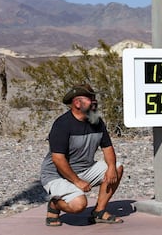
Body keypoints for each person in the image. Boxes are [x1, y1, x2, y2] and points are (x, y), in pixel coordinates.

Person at [40, 84, 124, 226]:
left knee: (117, 167)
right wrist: (77, 181)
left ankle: (99, 211)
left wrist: (110, 167)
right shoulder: (62, 124)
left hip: (84, 170)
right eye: (90, 98)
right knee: (79, 205)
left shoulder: (96, 120)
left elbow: (107, 147)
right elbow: (58, 159)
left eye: (94, 97)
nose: (94, 101)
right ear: (77, 103)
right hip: (56, 175)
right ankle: (55, 205)